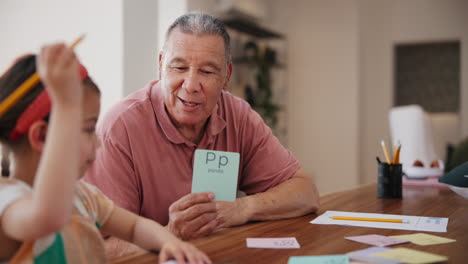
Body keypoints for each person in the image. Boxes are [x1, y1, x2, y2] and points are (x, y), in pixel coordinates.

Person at [85, 12, 319, 245]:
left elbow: (305, 192)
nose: (191, 85)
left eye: (207, 72)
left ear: (226, 76)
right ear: (160, 66)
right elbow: (99, 248)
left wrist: (241, 208)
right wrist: (169, 235)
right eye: (179, 67)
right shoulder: (119, 128)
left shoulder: (238, 115)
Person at [0, 44, 210, 264]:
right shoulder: (8, 202)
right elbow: (49, 217)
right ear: (42, 137)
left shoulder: (84, 196)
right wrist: (66, 105)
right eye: (89, 129)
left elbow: (135, 226)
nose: (98, 142)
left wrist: (170, 243)